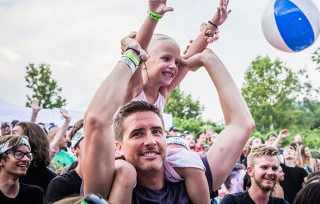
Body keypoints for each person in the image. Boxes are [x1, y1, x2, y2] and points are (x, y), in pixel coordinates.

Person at [81, 40, 255, 203]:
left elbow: (242, 124)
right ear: (118, 147)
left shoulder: (192, 174)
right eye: (137, 133)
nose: (150, 141)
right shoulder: (112, 186)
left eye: (157, 131)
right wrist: (132, 55)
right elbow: (96, 120)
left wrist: (207, 57)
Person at [220, 145, 289, 204]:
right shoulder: (232, 202)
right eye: (264, 167)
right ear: (250, 171)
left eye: (274, 168)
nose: (270, 172)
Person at [12, 121, 56, 194]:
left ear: (30, 140)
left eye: (14, 134)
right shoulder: (8, 173)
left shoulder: (51, 180)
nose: (9, 137)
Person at [0, 135, 43, 203]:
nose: (26, 159)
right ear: (1, 160)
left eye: (28, 155)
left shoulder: (34, 194)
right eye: (18, 154)